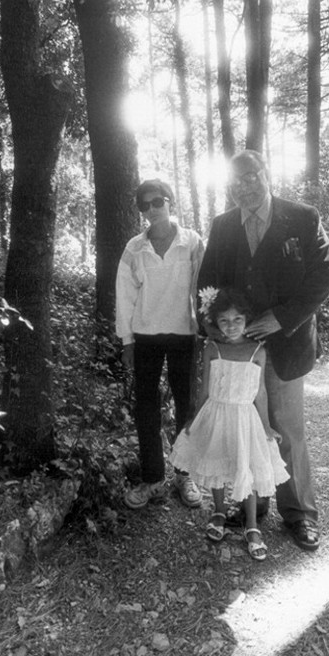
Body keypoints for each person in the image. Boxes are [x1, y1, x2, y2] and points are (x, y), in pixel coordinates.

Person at [197, 150, 329, 550]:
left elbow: (325, 276)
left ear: (266, 173)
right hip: (239, 353)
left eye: (251, 175)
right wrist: (214, 328)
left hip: (287, 344)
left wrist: (282, 317)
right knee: (246, 430)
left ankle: (300, 515)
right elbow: (206, 284)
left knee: (287, 431)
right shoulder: (223, 226)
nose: (245, 185)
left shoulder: (302, 217)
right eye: (236, 179)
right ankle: (252, 503)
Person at [170, 287, 289, 561]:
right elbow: (205, 389)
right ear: (215, 323)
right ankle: (219, 511)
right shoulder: (212, 348)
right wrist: (194, 416)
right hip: (216, 414)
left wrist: (267, 426)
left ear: (247, 319)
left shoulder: (258, 350)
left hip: (245, 419)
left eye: (237, 320)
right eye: (224, 321)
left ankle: (252, 525)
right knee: (218, 462)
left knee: (244, 468)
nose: (231, 326)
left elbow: (260, 392)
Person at [115, 178, 204, 510]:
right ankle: (153, 479)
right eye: (145, 205)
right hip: (146, 338)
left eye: (158, 201)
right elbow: (125, 297)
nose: (152, 209)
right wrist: (127, 342)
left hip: (184, 335)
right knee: (146, 408)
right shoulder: (134, 248)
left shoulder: (193, 242)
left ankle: (184, 474)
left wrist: (209, 330)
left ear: (171, 202)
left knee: (187, 405)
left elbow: (204, 288)